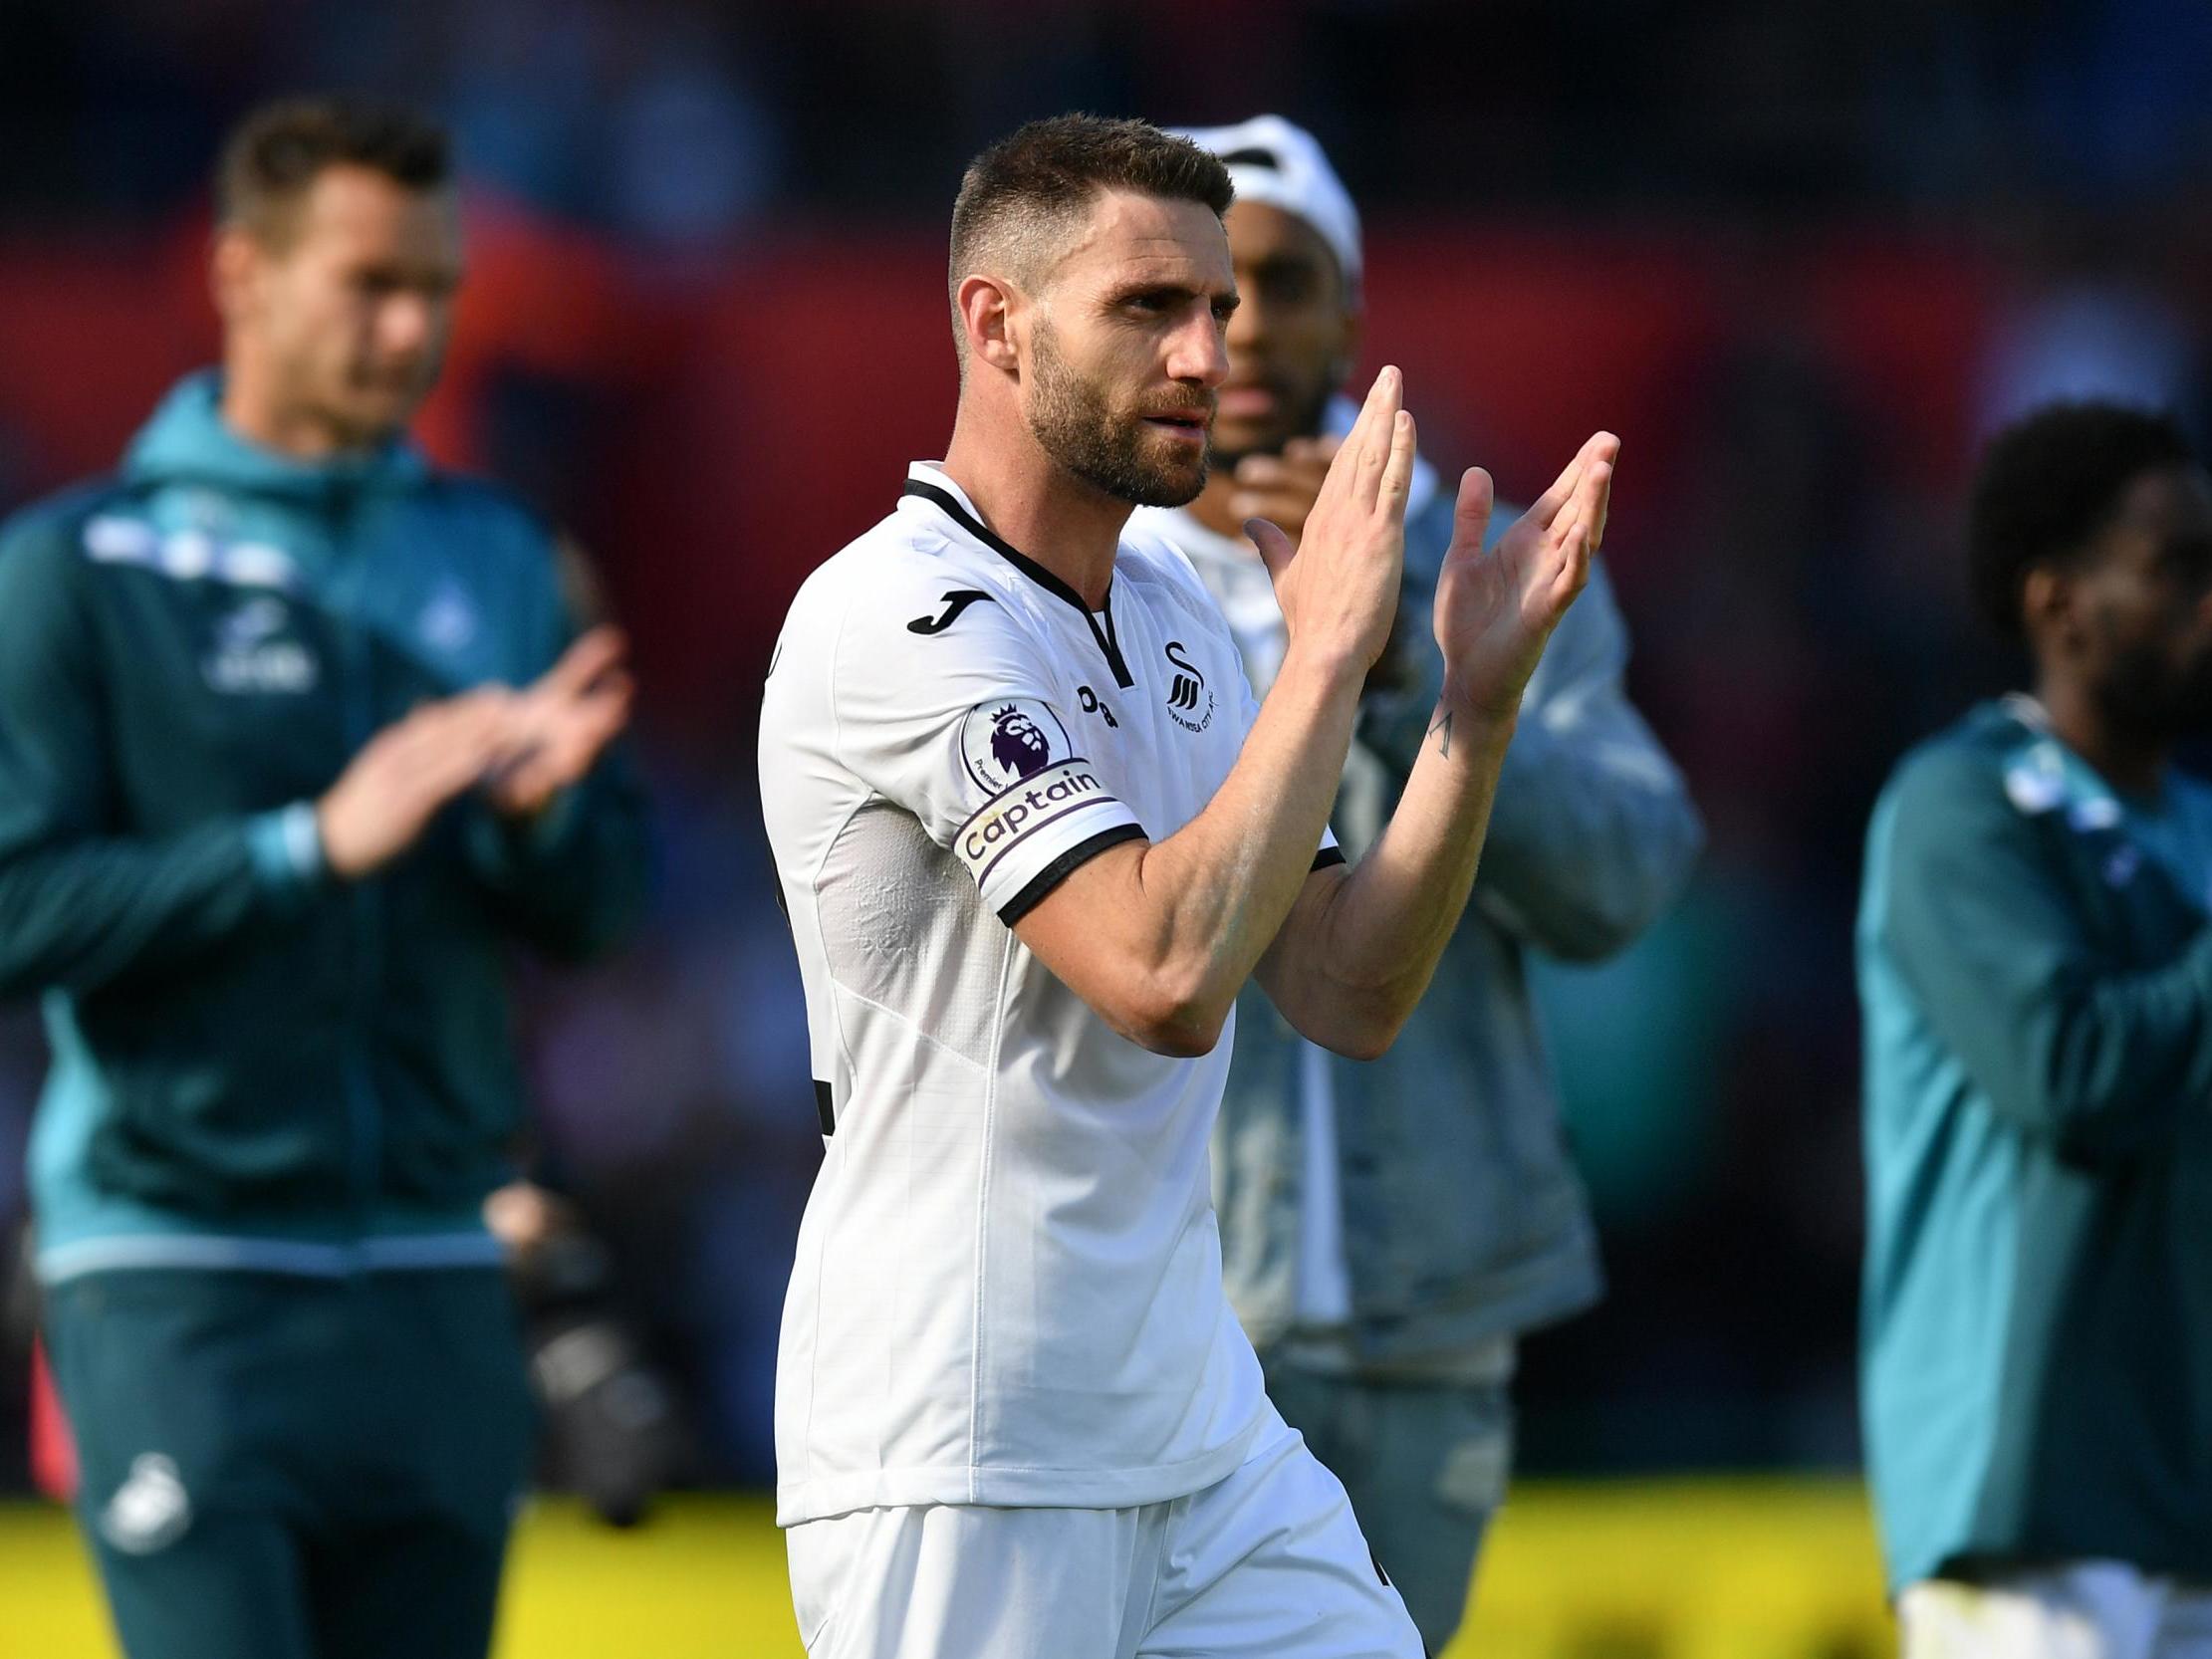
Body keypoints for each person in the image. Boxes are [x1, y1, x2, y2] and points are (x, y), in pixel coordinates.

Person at [757, 113, 1616, 1659]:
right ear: (996, 323)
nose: (1206, 351)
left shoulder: (1170, 611)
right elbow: (1159, 975)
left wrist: (1467, 717)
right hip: (965, 1439)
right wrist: (1331, 649)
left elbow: (1347, 985)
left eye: (1215, 308)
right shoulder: (895, 616)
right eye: (1148, 307)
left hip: (1200, 1434)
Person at [0, 97, 650, 1659]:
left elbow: (599, 911)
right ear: (239, 274)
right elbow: (17, 909)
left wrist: (543, 823)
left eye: (439, 285)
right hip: (175, 1264)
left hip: (439, 1256)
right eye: (370, 283)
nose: (415, 326)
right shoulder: (78, 570)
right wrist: (309, 845)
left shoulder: (503, 553)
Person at [1130, 115, 1702, 1650]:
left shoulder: (1492, 562)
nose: (1235, 328)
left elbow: (1627, 875)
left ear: (1354, 314)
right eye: (1193, 287)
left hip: (1427, 1316)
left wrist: (1419, 676)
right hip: (1165, 1320)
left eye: (1280, 280)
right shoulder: (1087, 582)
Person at [1858, 402, 2212, 1657]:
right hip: (2031, 1504)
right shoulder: (1964, 809)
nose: (2207, 603)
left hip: (2183, 1490)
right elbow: (2068, 1070)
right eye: (2178, 570)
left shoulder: (2198, 825)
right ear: (2058, 601)